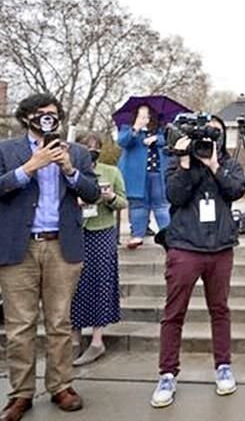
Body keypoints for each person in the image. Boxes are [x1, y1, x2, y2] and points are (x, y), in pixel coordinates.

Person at [0, 93, 100, 420]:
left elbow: (93, 192)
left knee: (59, 321)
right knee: (19, 326)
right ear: (27, 117)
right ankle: (21, 393)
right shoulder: (7, 149)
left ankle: (61, 386)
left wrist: (69, 170)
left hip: (62, 246)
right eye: (42, 113)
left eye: (54, 113)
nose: (48, 118)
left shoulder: (79, 153)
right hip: (19, 247)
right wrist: (30, 167)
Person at [150, 116, 245, 409]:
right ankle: (167, 373)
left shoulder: (229, 164)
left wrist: (215, 166)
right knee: (174, 312)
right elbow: (175, 196)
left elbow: (236, 190)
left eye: (216, 133)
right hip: (185, 247)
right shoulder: (176, 161)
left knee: (219, 310)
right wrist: (185, 161)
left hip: (220, 247)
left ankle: (223, 366)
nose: (209, 139)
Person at [71, 132, 128, 367]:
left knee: (100, 282)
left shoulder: (111, 172)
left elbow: (124, 201)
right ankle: (73, 339)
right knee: (73, 284)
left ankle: (97, 340)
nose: (90, 151)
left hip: (102, 232)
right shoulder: (69, 171)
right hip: (75, 232)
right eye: (86, 146)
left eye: (95, 147)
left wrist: (110, 196)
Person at [117, 104, 170, 249]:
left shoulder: (162, 130)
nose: (144, 119)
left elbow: (170, 141)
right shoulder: (127, 129)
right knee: (138, 205)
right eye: (141, 116)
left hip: (158, 173)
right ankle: (137, 235)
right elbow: (122, 142)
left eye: (147, 116)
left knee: (162, 204)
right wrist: (135, 129)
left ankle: (168, 234)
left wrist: (156, 139)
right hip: (136, 175)